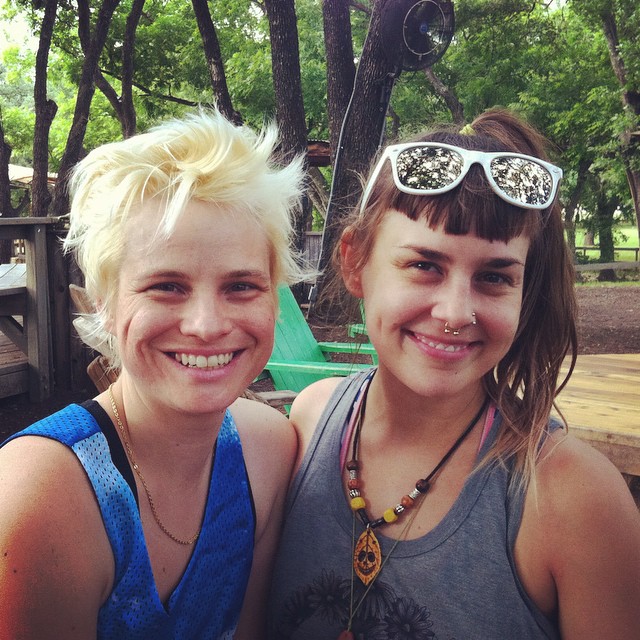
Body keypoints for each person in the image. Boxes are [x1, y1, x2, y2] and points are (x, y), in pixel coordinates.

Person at [268, 108, 640, 639]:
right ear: (354, 262)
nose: (455, 311)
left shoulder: (571, 497)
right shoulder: (310, 421)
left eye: (494, 276)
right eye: (424, 265)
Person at [0, 109, 305, 639]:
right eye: (167, 285)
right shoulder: (41, 492)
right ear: (106, 303)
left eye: (241, 286)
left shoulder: (268, 448)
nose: (208, 326)